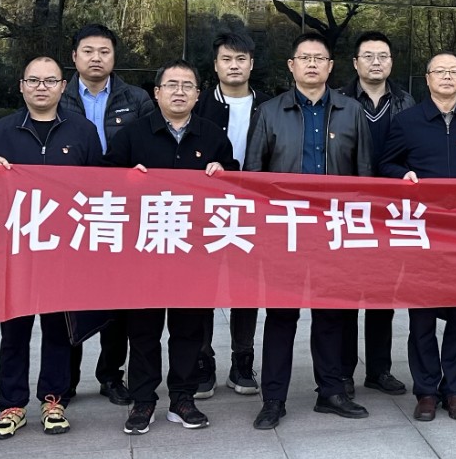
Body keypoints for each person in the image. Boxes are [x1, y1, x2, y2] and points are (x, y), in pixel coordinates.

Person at [243, 32, 374, 430]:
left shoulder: (351, 111)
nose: (312, 64)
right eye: (305, 57)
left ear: (331, 67)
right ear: (292, 65)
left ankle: (331, 391)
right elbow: (253, 176)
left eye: (320, 58)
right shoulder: (269, 112)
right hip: (286, 231)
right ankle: (273, 399)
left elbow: (365, 176)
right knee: (281, 317)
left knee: (332, 315)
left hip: (335, 230)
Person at [103, 59, 236, 435]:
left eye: (187, 85)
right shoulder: (132, 134)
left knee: (189, 330)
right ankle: (143, 400)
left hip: (194, 253)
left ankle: (182, 398)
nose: (180, 92)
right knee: (143, 330)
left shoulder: (212, 134)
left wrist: (223, 173)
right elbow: (103, 181)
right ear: (157, 92)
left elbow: (234, 179)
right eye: (172, 85)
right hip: (145, 249)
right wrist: (126, 179)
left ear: (197, 94)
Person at [0, 56, 103, 439]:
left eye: (50, 81)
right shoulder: (1, 132)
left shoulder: (82, 131)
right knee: (14, 331)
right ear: (21, 86)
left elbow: (100, 188)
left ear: (63, 87)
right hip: (16, 250)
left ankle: (54, 399)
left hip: (64, 250)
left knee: (58, 330)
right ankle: (11, 405)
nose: (41, 87)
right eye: (33, 80)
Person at [379, 52, 456, 421]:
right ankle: (427, 391)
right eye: (440, 71)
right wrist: (402, 175)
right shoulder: (407, 121)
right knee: (422, 319)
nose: (447, 77)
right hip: (423, 234)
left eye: (453, 71)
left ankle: (455, 390)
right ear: (427, 78)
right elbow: (386, 163)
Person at [59, 22, 154, 407]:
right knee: (70, 298)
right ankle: (65, 379)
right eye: (88, 51)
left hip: (122, 213)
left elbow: (150, 142)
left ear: (114, 57)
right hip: (70, 212)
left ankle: (111, 375)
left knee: (119, 301)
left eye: (104, 52)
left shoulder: (137, 99)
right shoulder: (57, 96)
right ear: (75, 57)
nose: (96, 58)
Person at [338, 30, 415, 398]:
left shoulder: (406, 103)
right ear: (355, 63)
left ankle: (379, 369)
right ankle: (343, 372)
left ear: (391, 62)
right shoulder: (339, 101)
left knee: (383, 295)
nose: (375, 62)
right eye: (368, 56)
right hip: (349, 209)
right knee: (347, 296)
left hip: (391, 211)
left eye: (382, 56)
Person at [192, 30, 268, 399]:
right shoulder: (199, 104)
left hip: (254, 207)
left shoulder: (269, 106)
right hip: (205, 208)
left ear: (251, 64)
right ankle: (202, 360)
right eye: (227, 59)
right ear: (216, 65)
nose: (234, 66)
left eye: (241, 59)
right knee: (202, 287)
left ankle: (242, 361)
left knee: (246, 286)